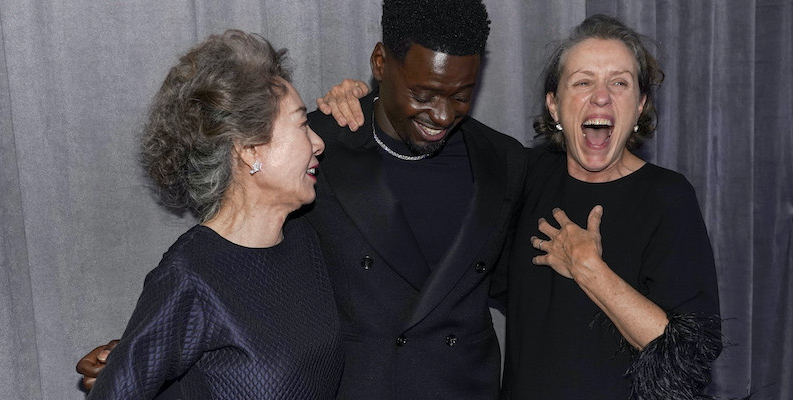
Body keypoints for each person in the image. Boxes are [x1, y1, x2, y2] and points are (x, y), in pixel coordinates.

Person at [79, 1, 526, 399]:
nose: (444, 114)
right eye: (423, 94)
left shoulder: (504, 162)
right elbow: (225, 287)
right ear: (380, 62)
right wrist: (151, 353)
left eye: (462, 96)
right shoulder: (309, 162)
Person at [82, 29, 342, 399]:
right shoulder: (191, 275)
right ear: (250, 150)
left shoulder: (304, 240)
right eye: (302, 124)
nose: (318, 142)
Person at [498, 14, 721, 399]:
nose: (601, 96)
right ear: (554, 106)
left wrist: (591, 271)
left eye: (619, 83)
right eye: (583, 82)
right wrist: (363, 103)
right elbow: (433, 123)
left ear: (639, 106)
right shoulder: (523, 176)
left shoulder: (667, 197)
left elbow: (688, 357)